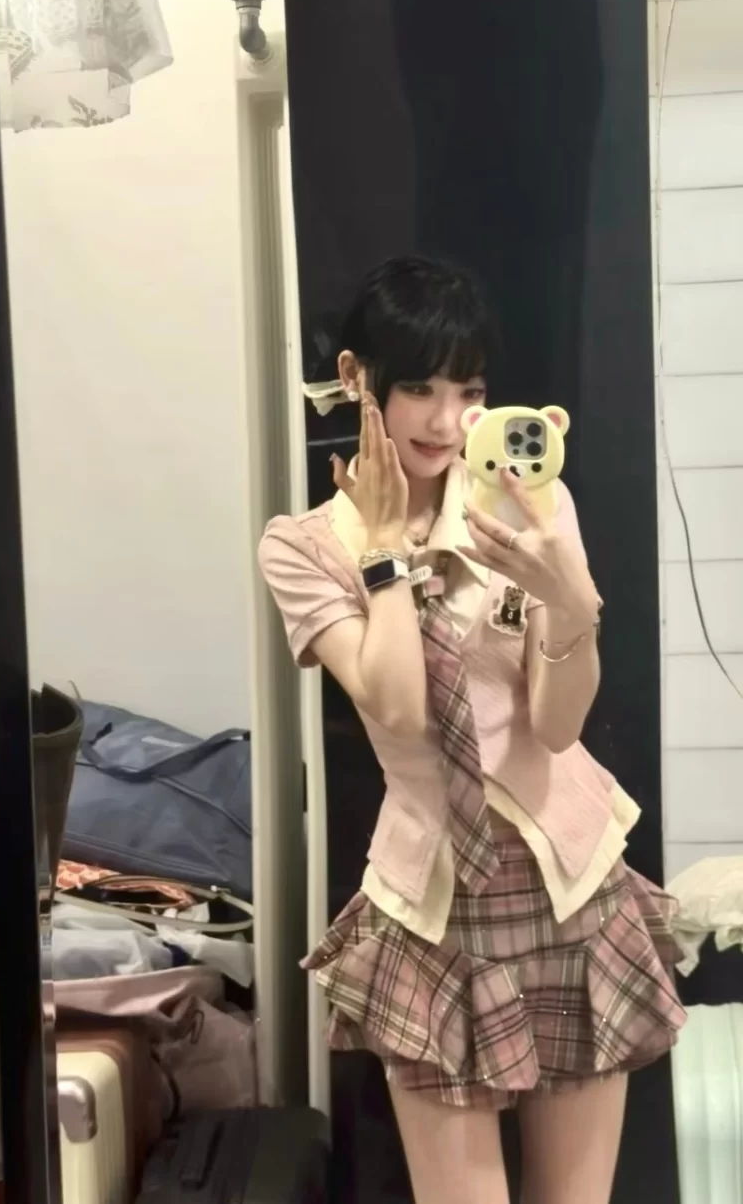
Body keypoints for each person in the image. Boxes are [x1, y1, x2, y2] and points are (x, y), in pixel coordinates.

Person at [259, 256, 685, 1204]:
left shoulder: (527, 506)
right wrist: (384, 554)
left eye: (471, 391)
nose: (448, 423)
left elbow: (558, 725)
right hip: (435, 914)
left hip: (572, 889)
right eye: (419, 388)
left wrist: (571, 600)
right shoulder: (303, 546)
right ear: (356, 376)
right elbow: (398, 708)